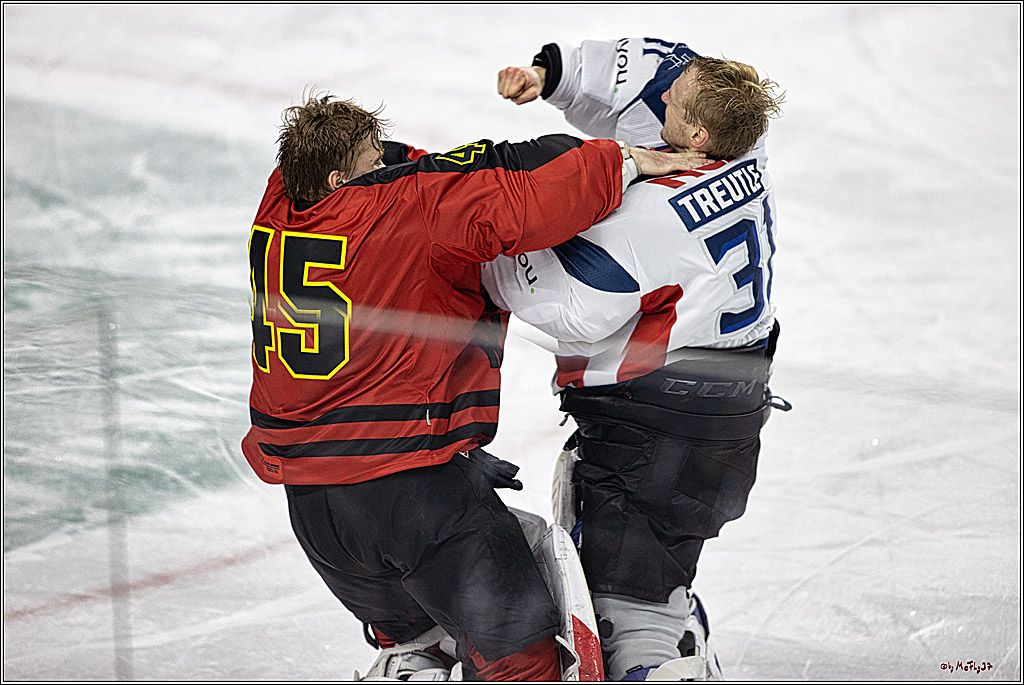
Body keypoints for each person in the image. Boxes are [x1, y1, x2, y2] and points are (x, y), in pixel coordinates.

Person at [240, 92, 705, 681]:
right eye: (372, 162)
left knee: (419, 636)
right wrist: (623, 160)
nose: (386, 166)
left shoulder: (279, 198)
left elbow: (416, 170)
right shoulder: (412, 209)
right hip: (411, 493)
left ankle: (413, 657)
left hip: (314, 508)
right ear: (341, 178)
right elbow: (529, 206)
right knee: (523, 662)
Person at [485, 38, 786, 681]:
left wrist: (476, 248)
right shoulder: (747, 150)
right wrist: (556, 75)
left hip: (653, 433)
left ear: (698, 134)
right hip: (734, 418)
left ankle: (655, 649)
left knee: (630, 618)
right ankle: (673, 620)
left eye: (679, 96)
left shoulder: (649, 217)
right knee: (662, 565)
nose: (667, 90)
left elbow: (571, 308)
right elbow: (658, 65)